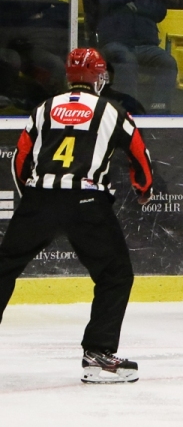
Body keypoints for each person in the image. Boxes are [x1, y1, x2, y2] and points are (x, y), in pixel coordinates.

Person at [1, 47, 153, 383]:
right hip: (87, 202)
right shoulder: (113, 111)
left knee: (4, 267)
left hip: (40, 198)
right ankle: (98, 355)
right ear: (99, 77)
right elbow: (139, 156)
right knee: (114, 275)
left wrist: (34, 200)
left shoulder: (44, 108)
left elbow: (21, 158)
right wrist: (144, 190)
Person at [82, 0, 178, 114]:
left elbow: (159, 12)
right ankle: (130, 110)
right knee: (126, 59)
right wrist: (134, 0)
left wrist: (129, 6)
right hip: (112, 44)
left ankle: (159, 110)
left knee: (167, 62)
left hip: (145, 45)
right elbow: (104, 3)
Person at [0, 0, 69, 104]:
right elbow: (17, 14)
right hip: (19, 47)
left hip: (45, 45)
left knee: (64, 61)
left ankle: (52, 102)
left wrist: (43, 14)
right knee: (55, 64)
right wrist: (41, 10)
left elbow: (65, 10)